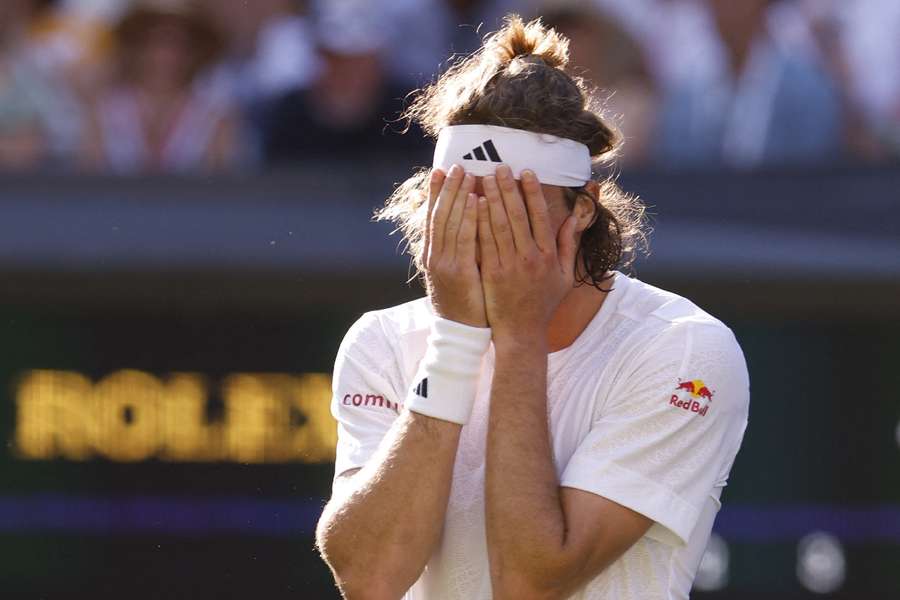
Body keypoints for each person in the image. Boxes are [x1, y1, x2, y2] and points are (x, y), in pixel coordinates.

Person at [316, 15, 749, 600]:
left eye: (515, 208)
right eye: (462, 207)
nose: (487, 232)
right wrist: (455, 339)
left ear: (584, 209)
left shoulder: (684, 350)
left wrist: (519, 337)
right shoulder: (382, 341)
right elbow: (369, 579)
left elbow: (529, 581)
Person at [80, 0, 241, 174]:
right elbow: (87, 179)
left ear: (193, 51)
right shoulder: (104, 113)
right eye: (154, 41)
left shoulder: (215, 118)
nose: (164, 54)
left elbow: (222, 186)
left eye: (176, 43)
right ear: (137, 48)